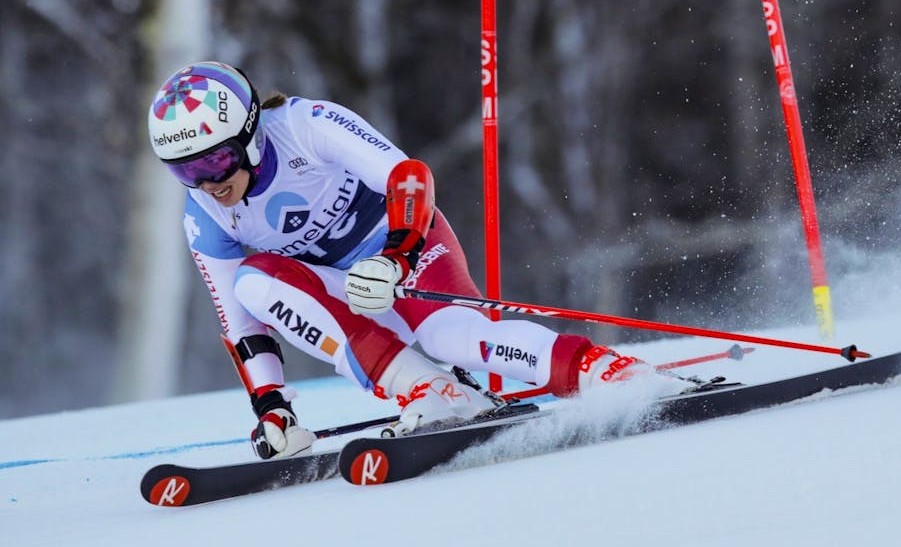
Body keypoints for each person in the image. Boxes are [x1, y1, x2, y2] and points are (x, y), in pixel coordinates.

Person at [147, 61, 684, 460]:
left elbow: (408, 177)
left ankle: (604, 370)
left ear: (251, 134)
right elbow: (241, 326)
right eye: (185, 171)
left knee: (452, 340)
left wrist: (395, 259)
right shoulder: (204, 216)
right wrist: (272, 408)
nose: (209, 183)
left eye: (217, 161)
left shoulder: (306, 125)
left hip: (407, 249)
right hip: (343, 287)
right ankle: (431, 390)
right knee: (252, 285)